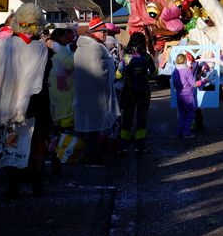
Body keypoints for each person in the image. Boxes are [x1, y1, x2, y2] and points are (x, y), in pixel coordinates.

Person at [0, 4, 50, 198]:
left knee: (11, 143)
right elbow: (43, 80)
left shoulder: (3, 46)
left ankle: (13, 185)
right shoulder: (42, 49)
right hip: (35, 106)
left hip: (6, 104)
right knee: (36, 145)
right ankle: (37, 185)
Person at [74, 16, 120, 165]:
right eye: (103, 31)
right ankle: (91, 154)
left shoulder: (86, 45)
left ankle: (91, 152)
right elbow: (97, 70)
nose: (105, 34)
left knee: (91, 125)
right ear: (94, 31)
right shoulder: (93, 47)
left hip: (87, 91)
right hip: (94, 92)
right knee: (93, 126)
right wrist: (111, 68)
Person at [118, 32, 156, 154]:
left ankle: (123, 146)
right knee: (141, 118)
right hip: (143, 91)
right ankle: (140, 146)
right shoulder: (147, 57)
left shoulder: (126, 57)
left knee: (127, 118)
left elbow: (118, 74)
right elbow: (155, 72)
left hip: (129, 91)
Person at [47, 28, 74, 130]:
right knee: (65, 109)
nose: (66, 38)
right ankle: (64, 136)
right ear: (59, 37)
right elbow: (70, 64)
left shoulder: (58, 48)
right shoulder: (59, 49)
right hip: (63, 86)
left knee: (58, 108)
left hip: (56, 84)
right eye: (64, 36)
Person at [172, 52, 196, 138]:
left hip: (179, 95)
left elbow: (174, 84)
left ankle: (179, 132)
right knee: (190, 114)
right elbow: (193, 84)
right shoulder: (187, 71)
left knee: (181, 115)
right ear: (185, 60)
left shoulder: (175, 71)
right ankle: (186, 132)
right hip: (188, 95)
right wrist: (203, 81)